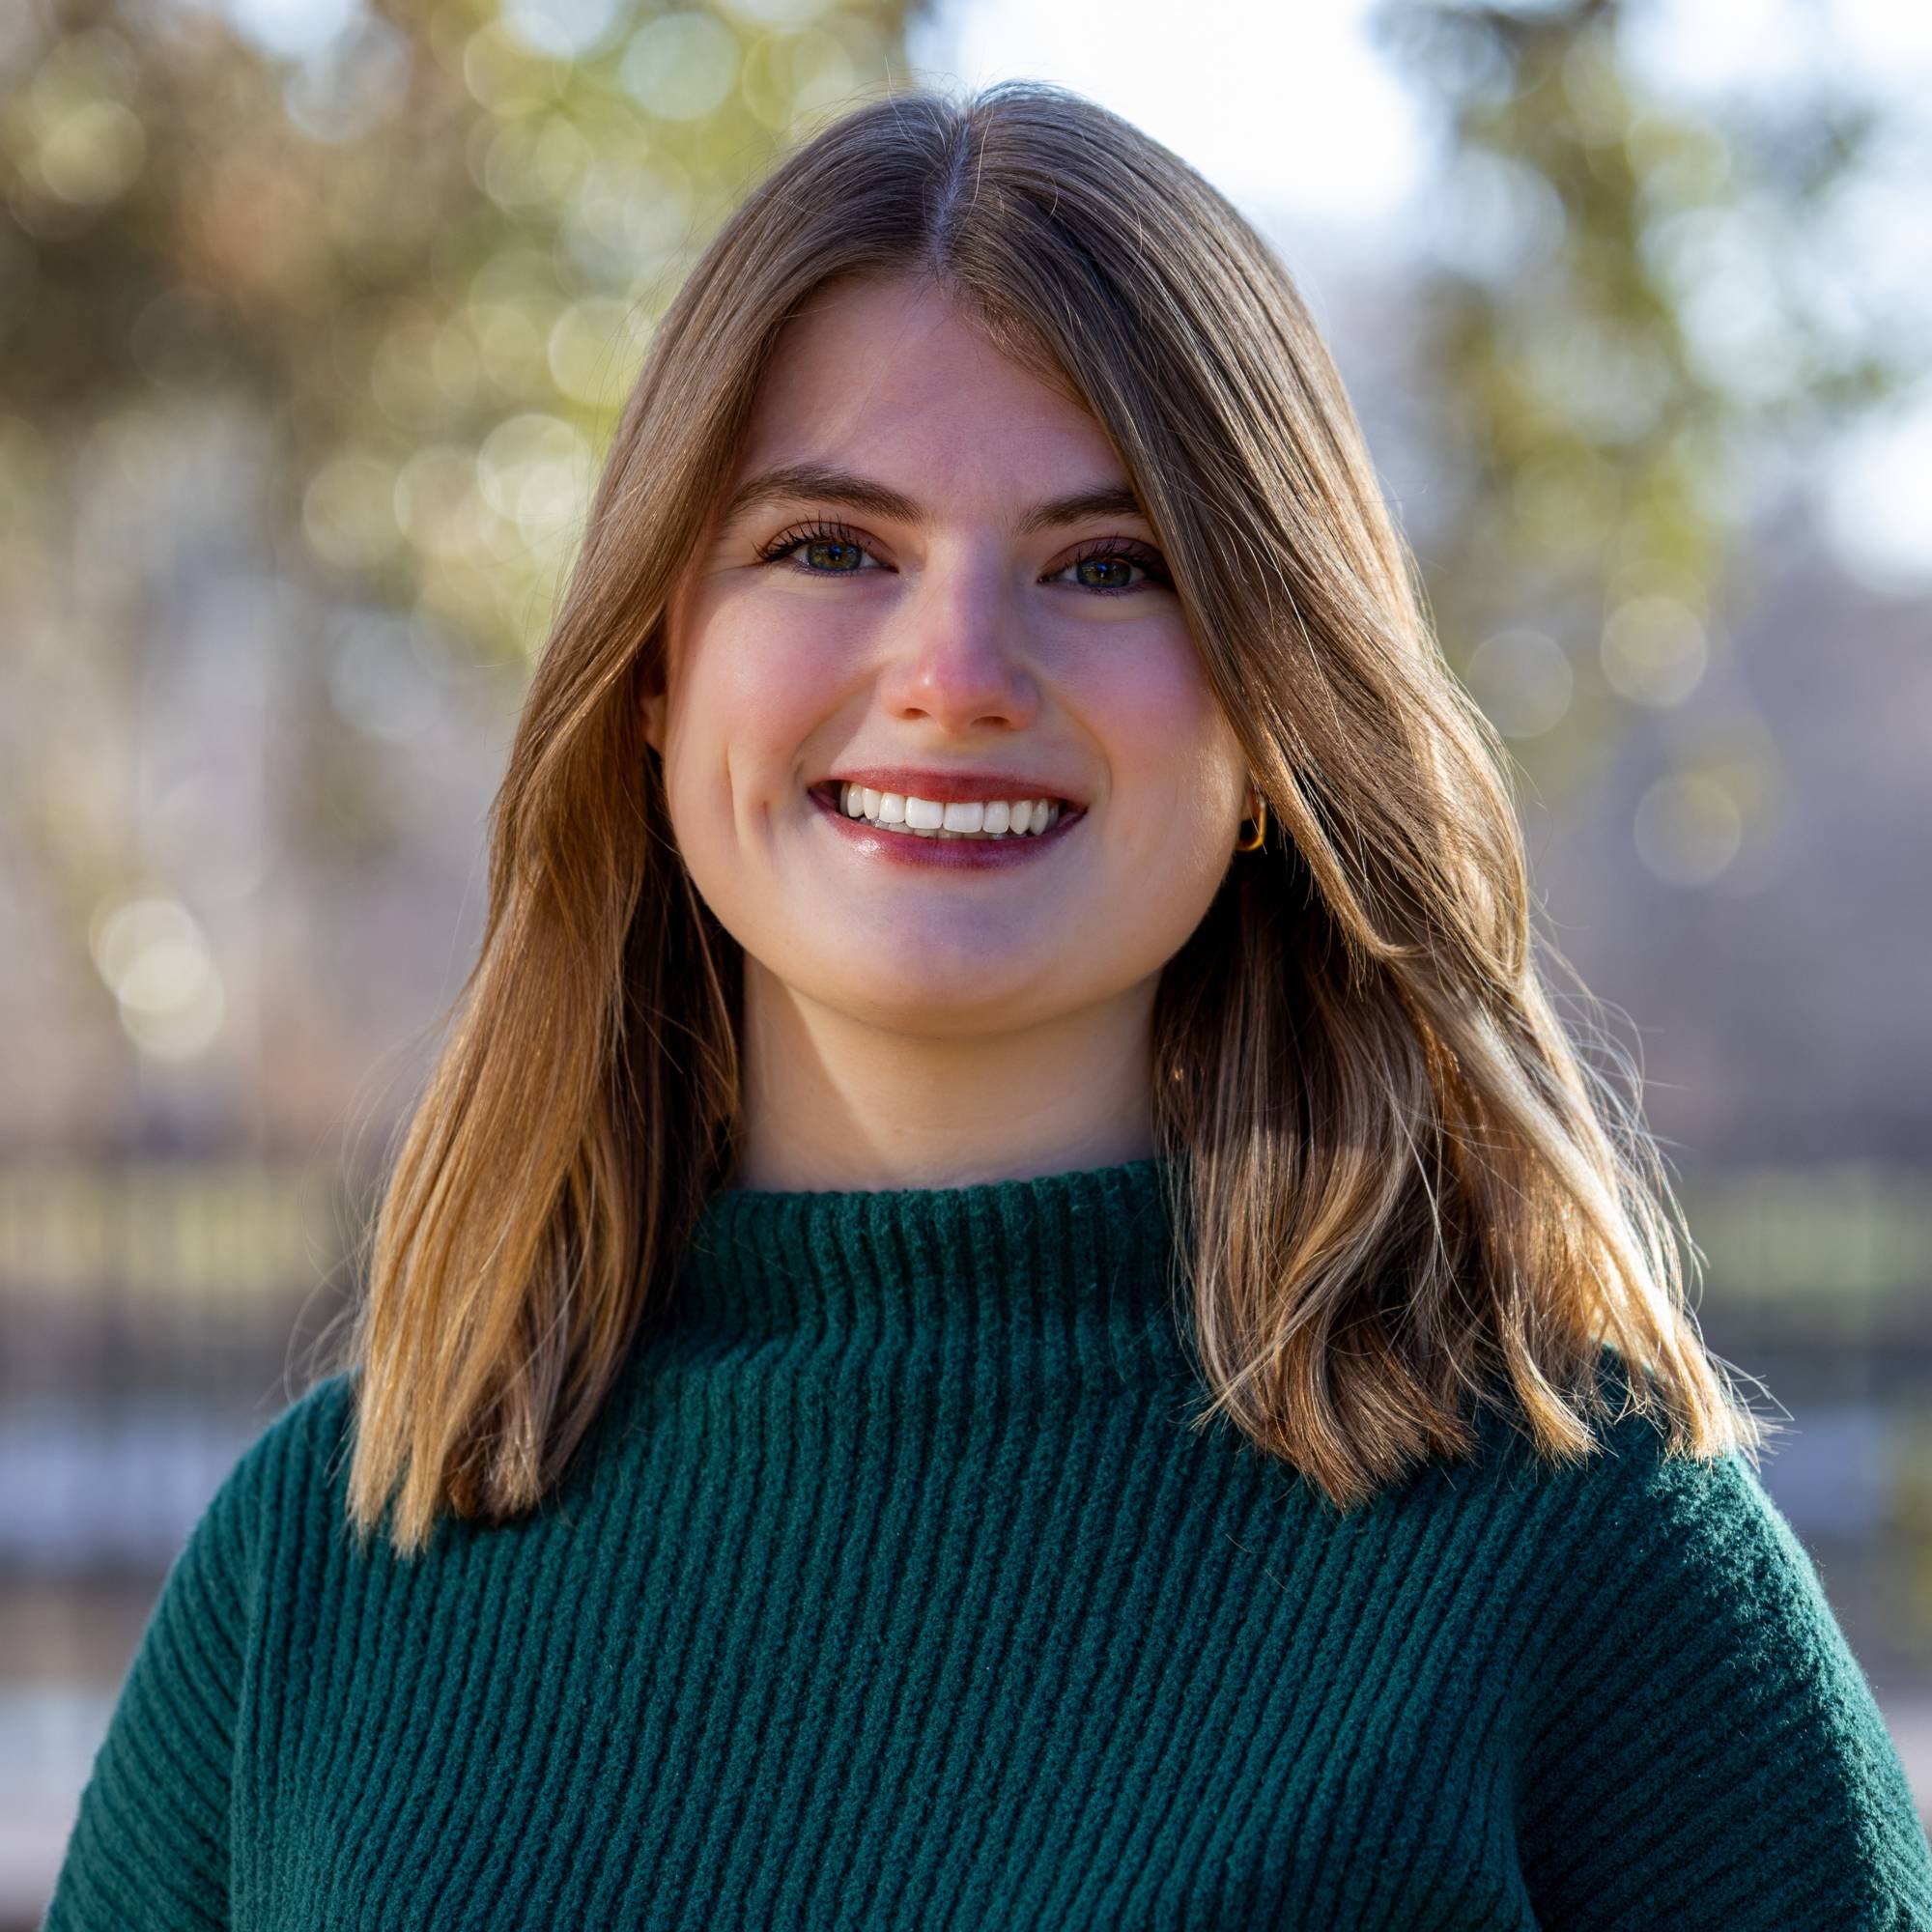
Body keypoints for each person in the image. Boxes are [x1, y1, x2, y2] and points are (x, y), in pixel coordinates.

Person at [42, 78, 1932, 1932]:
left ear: (1276, 710)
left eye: (1112, 565)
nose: (952, 670)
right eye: (829, 547)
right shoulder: (325, 1563)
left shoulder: (1570, 1545)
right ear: (653, 667)